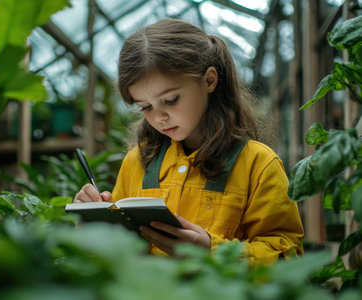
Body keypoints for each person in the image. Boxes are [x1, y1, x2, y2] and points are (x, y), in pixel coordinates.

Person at [74, 18, 304, 265]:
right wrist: (93, 221)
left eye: (171, 99)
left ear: (209, 81)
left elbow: (289, 258)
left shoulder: (258, 164)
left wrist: (211, 250)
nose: (159, 117)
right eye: (145, 107)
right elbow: (113, 255)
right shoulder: (137, 162)